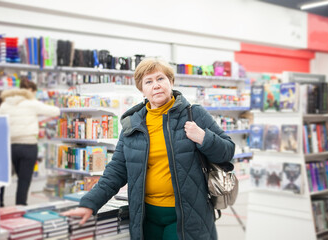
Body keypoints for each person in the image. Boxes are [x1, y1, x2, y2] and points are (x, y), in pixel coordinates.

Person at [62, 58, 235, 240]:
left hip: (186, 216)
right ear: (142, 89)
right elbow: (116, 171)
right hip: (146, 217)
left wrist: (204, 138)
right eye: (149, 82)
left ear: (171, 81)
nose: (156, 86)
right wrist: (89, 204)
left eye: (160, 79)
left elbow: (227, 151)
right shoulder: (133, 124)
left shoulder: (194, 114)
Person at [0, 79, 60, 206]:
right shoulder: (31, 103)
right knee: (24, 179)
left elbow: (0, 123)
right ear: (30, 91)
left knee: (11, 177)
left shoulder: (5, 104)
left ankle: (0, 205)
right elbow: (55, 111)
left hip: (10, 146)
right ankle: (20, 206)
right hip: (28, 145)